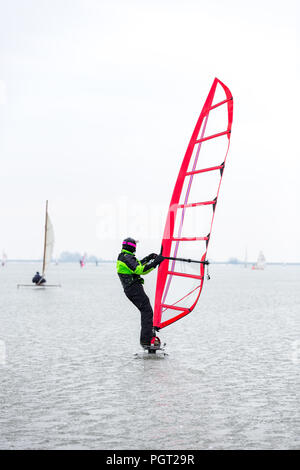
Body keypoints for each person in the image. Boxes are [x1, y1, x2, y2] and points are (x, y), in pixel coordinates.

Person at [117, 237, 165, 348]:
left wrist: (149, 258)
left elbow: (139, 265)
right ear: (132, 247)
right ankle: (146, 341)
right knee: (147, 311)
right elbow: (141, 270)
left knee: (146, 311)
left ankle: (147, 339)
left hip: (133, 289)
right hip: (133, 289)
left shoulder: (125, 257)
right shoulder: (126, 258)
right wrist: (155, 263)